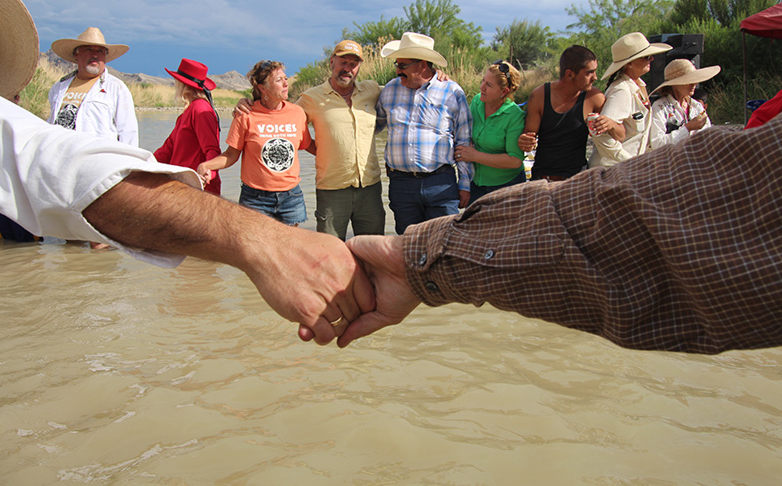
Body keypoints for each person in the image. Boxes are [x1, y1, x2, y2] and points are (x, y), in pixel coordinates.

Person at [0, 0, 371, 351]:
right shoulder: (60, 90)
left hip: (168, 194)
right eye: (279, 79)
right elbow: (206, 153)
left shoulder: (197, 107)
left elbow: (298, 145)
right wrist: (156, 169)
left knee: (256, 261)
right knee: (83, 256)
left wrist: (190, 186)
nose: (285, 85)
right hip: (153, 191)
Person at [334, 115, 782, 354]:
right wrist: (416, 257)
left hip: (544, 189)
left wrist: (418, 256)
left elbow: (692, 209)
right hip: (565, 190)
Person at [375, 32, 472, 234]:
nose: (397, 70)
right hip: (401, 185)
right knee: (408, 244)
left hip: (441, 183)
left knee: (444, 243)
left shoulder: (452, 92)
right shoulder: (389, 90)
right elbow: (371, 127)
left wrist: (464, 184)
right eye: (397, 64)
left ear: (422, 65)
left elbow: (464, 140)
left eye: (403, 65)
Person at [198, 61, 315, 225]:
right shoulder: (246, 114)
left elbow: (308, 145)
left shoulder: (297, 113)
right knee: (254, 249)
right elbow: (231, 155)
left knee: (288, 250)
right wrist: (206, 166)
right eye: (278, 80)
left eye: (285, 78)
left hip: (291, 197)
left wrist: (338, 153)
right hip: (255, 199)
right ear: (262, 88)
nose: (286, 83)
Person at [295, 40, 386, 239]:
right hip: (331, 189)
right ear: (332, 62)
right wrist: (251, 103)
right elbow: (285, 120)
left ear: (359, 67)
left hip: (369, 188)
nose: (347, 69)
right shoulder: (311, 98)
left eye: (353, 64)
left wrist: (437, 76)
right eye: (343, 62)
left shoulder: (372, 91)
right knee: (329, 253)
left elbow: (404, 89)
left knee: (373, 251)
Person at [517, 45, 606, 181]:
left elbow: (621, 135)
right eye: (589, 72)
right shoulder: (540, 96)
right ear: (569, 74)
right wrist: (524, 141)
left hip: (578, 181)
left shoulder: (594, 97)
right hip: (543, 180)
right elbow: (528, 136)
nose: (595, 77)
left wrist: (610, 124)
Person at [588, 32, 671, 168]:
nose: (651, 59)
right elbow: (601, 135)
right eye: (645, 57)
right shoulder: (622, 90)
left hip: (625, 169)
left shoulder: (638, 86)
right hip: (612, 170)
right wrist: (629, 161)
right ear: (630, 63)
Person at [48, 27, 139, 147]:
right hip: (62, 159)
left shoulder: (116, 88)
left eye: (100, 51)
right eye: (89, 49)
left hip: (99, 162)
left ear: (105, 57)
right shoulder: (59, 87)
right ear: (77, 53)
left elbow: (128, 134)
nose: (95, 55)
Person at [453, 60, 526, 204]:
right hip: (476, 186)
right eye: (483, 81)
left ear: (504, 92)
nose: (482, 87)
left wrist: (474, 155)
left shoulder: (514, 116)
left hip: (506, 189)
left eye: (489, 85)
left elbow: (515, 160)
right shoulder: (476, 102)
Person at [154, 58, 222, 195]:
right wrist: (144, 164)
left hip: (198, 187)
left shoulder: (201, 109)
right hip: (180, 185)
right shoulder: (187, 112)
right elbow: (167, 149)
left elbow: (212, 148)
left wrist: (210, 172)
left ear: (182, 84)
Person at [649, 59, 720, 146]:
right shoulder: (660, 107)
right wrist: (687, 128)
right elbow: (658, 143)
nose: (694, 84)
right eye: (688, 81)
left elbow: (707, 136)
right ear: (675, 84)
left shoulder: (696, 106)